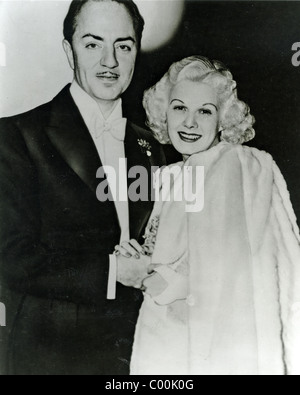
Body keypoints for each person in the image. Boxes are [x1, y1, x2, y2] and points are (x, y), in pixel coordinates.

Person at [0, 0, 166, 375]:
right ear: (68, 49)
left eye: (123, 45)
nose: (109, 61)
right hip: (51, 356)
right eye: (93, 44)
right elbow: (10, 257)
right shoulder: (15, 135)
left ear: (136, 51)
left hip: (137, 353)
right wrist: (113, 272)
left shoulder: (152, 145)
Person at [116, 56, 300, 375]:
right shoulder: (169, 176)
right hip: (165, 343)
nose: (190, 123)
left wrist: (144, 276)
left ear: (223, 120)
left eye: (205, 111)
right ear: (164, 112)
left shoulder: (233, 163)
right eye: (179, 108)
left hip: (209, 352)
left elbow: (220, 269)